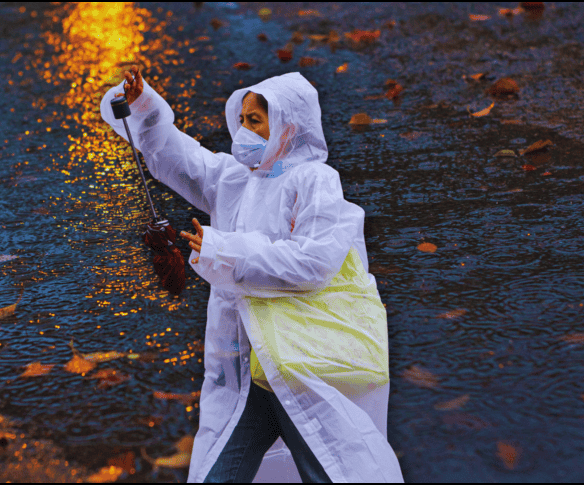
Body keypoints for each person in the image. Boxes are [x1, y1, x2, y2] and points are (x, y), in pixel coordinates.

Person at [100, 67, 404, 483]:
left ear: (287, 126)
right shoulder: (234, 179)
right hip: (244, 369)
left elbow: (313, 263)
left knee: (335, 470)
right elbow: (177, 157)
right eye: (242, 119)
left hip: (301, 365)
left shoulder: (315, 181)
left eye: (255, 121)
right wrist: (143, 108)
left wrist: (223, 250)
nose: (243, 130)